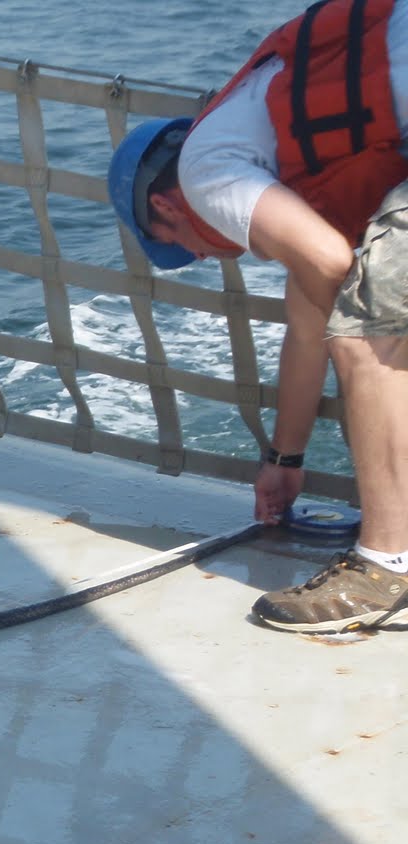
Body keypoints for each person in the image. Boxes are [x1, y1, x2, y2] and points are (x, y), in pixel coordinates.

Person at [108, 0, 408, 634]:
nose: (199, 251)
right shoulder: (275, 134)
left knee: (369, 334)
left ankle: (388, 569)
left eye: (178, 244)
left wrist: (352, 328)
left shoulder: (205, 171)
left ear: (168, 204)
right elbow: (306, 327)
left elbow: (327, 266)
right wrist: (285, 458)